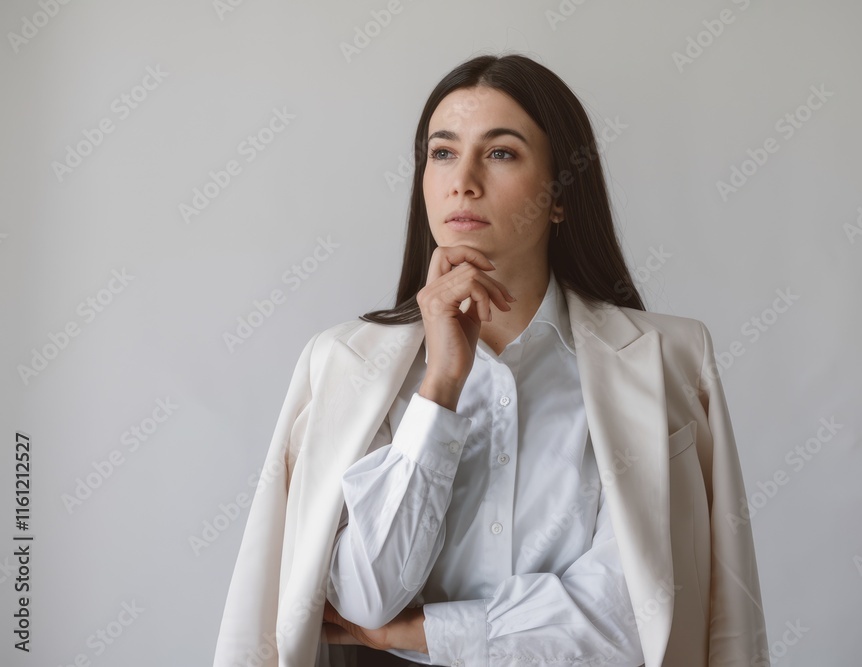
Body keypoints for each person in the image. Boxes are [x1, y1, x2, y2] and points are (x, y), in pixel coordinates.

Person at [213, 53, 768, 667]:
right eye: (442, 153)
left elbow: (635, 612)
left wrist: (423, 635)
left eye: (501, 153)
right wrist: (441, 386)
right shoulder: (343, 363)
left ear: (560, 196)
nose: (464, 181)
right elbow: (365, 598)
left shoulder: (668, 359)